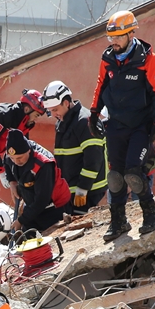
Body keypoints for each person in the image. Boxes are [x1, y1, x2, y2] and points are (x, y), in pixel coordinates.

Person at [92, 10, 155, 241]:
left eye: (118, 36)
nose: (113, 41)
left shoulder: (149, 60)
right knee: (114, 176)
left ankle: (152, 216)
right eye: (110, 37)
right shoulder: (107, 60)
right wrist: (94, 113)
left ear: (131, 33)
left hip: (140, 127)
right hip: (116, 124)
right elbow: (101, 86)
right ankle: (118, 223)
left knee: (134, 174)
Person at [42, 80, 106, 214]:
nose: (53, 114)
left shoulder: (84, 121)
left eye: (55, 109)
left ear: (66, 103)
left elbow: (93, 159)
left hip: (88, 189)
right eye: (50, 111)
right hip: (71, 189)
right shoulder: (63, 121)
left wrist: (83, 188)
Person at [2, 130, 73, 233]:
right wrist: (12, 183)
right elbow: (6, 161)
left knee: (50, 242)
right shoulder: (11, 156)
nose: (16, 162)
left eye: (19, 158)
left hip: (53, 208)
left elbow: (41, 200)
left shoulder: (43, 165)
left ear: (29, 151)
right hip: (32, 206)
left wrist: (21, 220)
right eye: (13, 158)